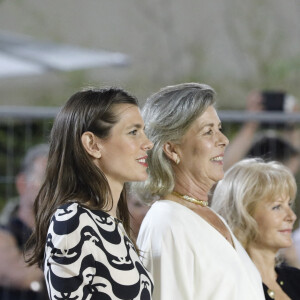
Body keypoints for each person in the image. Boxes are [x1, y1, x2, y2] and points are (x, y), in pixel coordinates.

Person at [134, 83, 265, 299]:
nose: (223, 140)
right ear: (172, 149)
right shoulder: (167, 222)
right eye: (208, 132)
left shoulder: (209, 216)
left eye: (219, 129)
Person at [26, 87, 154, 299]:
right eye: (133, 132)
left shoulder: (110, 223)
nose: (148, 143)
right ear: (92, 144)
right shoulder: (73, 220)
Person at [212, 158, 300, 300]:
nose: (292, 216)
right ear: (242, 215)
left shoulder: (295, 278)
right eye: (277, 207)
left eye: (289, 204)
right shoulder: (228, 287)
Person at [0, 143, 49, 300]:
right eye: (45, 179)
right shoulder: (6, 232)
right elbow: (19, 274)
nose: (53, 190)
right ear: (22, 184)